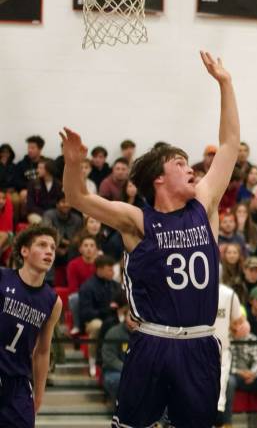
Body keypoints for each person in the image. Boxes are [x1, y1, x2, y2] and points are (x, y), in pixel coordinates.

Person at [61, 50, 239, 428]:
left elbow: (229, 146)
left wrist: (225, 83)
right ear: (159, 178)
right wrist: (73, 164)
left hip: (200, 343)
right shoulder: (138, 220)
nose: (190, 169)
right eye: (180, 164)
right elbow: (78, 198)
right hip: (153, 343)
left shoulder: (203, 206)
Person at [0, 226, 62, 428]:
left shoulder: (53, 301)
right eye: (42, 245)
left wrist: (39, 393)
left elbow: (42, 352)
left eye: (53, 247)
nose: (49, 251)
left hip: (18, 385)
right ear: (24, 252)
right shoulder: (3, 278)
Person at [78, 255, 121, 376]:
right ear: (100, 269)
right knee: (98, 326)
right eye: (109, 269)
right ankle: (93, 360)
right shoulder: (87, 287)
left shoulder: (116, 286)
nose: (113, 272)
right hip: (93, 320)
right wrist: (106, 310)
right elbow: (86, 313)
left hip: (113, 318)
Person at [213, 283, 245, 427]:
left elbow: (238, 322)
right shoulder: (193, 292)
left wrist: (236, 326)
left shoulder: (229, 294)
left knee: (219, 396)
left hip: (221, 351)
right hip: (199, 349)